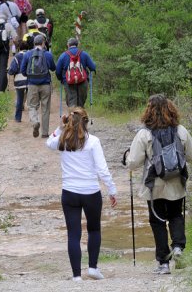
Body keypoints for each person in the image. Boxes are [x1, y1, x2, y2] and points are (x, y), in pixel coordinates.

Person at [125, 94, 192, 275]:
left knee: (157, 221)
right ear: (170, 108)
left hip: (154, 185)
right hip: (176, 183)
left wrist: (126, 158)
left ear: (148, 111)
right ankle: (179, 247)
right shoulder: (180, 130)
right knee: (175, 215)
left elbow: (133, 162)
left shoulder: (144, 134)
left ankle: (163, 263)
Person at [46, 107, 117, 282]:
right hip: (91, 192)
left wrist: (61, 127)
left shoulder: (62, 140)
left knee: (73, 234)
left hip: (69, 192)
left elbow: (48, 143)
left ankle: (76, 275)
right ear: (86, 122)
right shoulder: (93, 141)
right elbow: (102, 169)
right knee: (94, 229)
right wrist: (112, 190)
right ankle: (92, 268)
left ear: (68, 122)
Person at [20, 34, 56, 138]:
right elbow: (53, 68)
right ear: (43, 43)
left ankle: (35, 122)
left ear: (34, 43)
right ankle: (45, 133)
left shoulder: (27, 54)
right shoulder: (47, 54)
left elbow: (23, 71)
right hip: (45, 84)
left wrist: (31, 76)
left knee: (32, 106)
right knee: (45, 109)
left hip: (32, 85)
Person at [55, 38, 97, 107]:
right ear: (77, 45)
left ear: (68, 45)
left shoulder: (63, 55)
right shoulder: (84, 54)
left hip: (68, 82)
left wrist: (62, 79)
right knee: (81, 103)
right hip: (82, 81)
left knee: (72, 103)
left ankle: (73, 116)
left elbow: (58, 71)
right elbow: (92, 67)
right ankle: (80, 115)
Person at [7, 41, 29, 122]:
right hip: (30, 80)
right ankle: (33, 118)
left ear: (19, 48)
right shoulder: (31, 54)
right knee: (32, 100)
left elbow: (13, 70)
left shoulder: (17, 56)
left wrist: (9, 71)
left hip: (19, 80)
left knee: (19, 99)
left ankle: (18, 118)